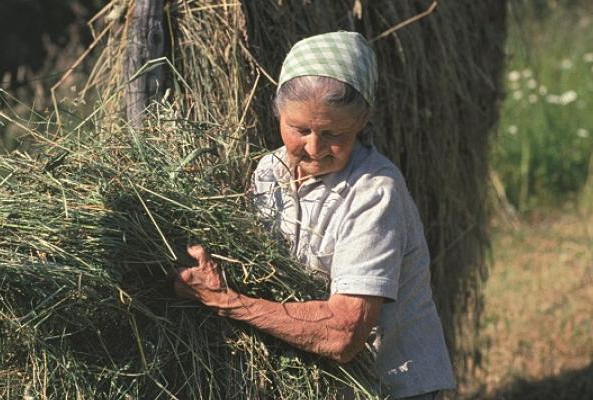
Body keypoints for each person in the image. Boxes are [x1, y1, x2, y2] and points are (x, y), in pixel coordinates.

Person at [174, 31, 454, 400]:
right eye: (299, 129)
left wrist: (225, 300)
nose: (314, 147)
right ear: (278, 113)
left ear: (362, 121)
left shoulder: (373, 191)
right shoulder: (267, 171)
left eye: (333, 133)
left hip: (388, 387)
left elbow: (344, 334)